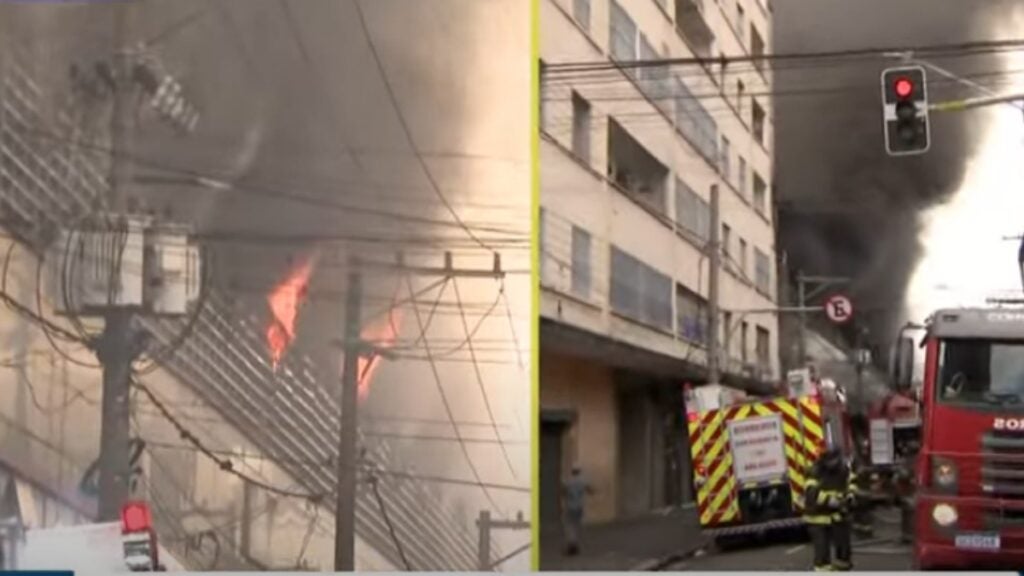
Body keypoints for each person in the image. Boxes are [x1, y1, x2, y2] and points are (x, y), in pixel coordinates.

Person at [803, 447, 860, 571]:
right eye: (830, 461)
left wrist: (850, 496)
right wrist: (831, 501)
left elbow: (852, 482)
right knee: (822, 553)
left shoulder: (843, 469)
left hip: (838, 516)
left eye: (835, 460)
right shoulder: (814, 471)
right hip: (817, 518)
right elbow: (811, 493)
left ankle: (842, 569)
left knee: (844, 552)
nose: (832, 464)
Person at [563, 465, 593, 556]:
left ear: (572, 472)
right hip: (579, 506)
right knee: (577, 525)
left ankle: (572, 544)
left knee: (570, 526)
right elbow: (590, 490)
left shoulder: (568, 482)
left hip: (570, 506)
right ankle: (576, 544)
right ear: (579, 472)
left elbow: (564, 492)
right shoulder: (582, 481)